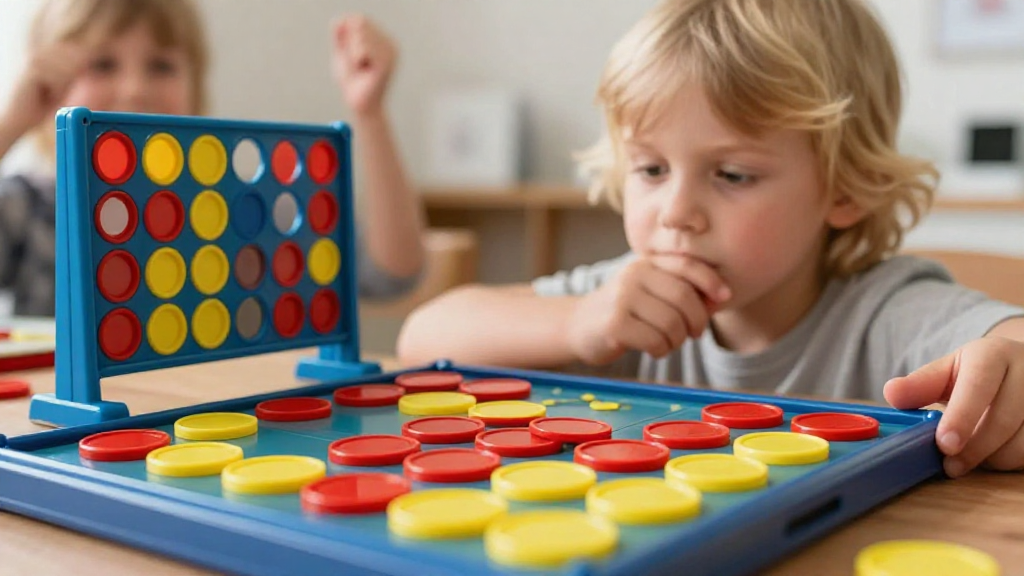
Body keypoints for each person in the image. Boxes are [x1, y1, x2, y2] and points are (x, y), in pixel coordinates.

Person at [397, 0, 1024, 479]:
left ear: (844, 189)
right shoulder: (619, 302)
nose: (677, 213)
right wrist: (577, 322)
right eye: (650, 169)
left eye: (730, 174)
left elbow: (1009, 344)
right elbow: (423, 337)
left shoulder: (885, 312)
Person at [0, 0, 424, 317]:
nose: (133, 89)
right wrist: (13, 120)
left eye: (162, 66)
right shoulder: (30, 207)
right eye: (103, 64)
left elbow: (388, 274)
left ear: (194, 88)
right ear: (46, 86)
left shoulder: (234, 210)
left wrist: (370, 114)